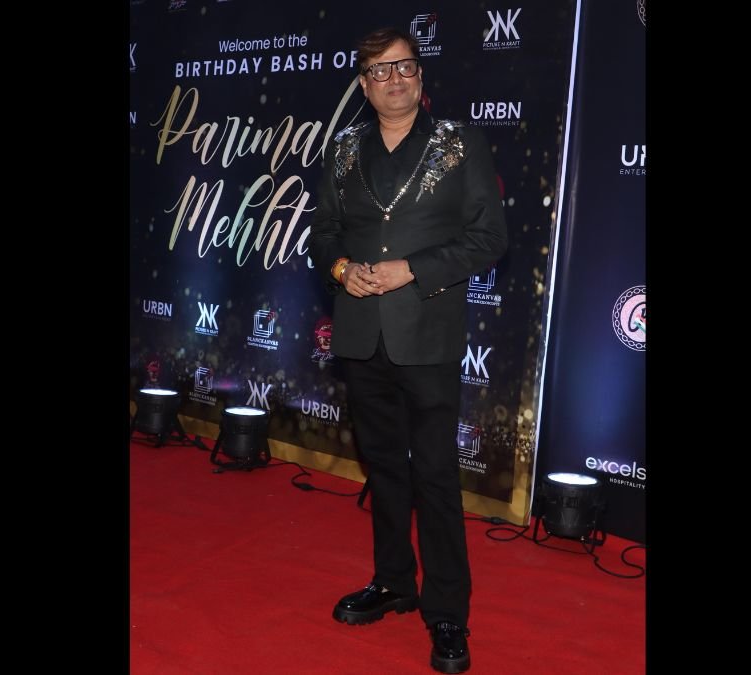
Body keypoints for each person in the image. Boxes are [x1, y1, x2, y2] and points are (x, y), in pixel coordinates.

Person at [306, 26, 508, 674]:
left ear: (420, 76)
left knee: (436, 475)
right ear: (363, 86)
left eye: (404, 67)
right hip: (361, 333)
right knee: (385, 467)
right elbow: (323, 232)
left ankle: (447, 612)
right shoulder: (343, 148)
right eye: (379, 70)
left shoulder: (459, 143)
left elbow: (489, 239)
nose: (394, 79)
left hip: (427, 334)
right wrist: (341, 269)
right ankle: (393, 580)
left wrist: (412, 269)